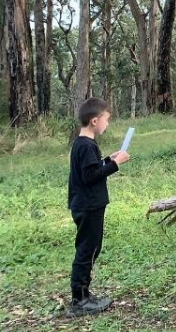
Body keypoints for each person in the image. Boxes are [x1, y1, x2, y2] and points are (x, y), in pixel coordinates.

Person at [67, 98, 130, 316]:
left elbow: (91, 170)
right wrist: (115, 164)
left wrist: (106, 160)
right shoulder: (85, 145)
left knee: (91, 248)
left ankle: (84, 294)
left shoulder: (83, 143)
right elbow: (90, 176)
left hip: (89, 204)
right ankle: (78, 300)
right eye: (107, 119)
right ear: (95, 121)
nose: (108, 124)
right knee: (87, 250)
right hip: (88, 206)